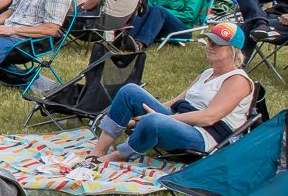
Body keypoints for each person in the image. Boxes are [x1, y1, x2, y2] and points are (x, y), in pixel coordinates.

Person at [84, 23, 255, 162]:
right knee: (130, 91)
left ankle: (116, 157)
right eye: (209, 41)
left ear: (233, 49)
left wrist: (159, 118)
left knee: (153, 121)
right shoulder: (207, 73)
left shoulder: (238, 80)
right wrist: (140, 116)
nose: (209, 46)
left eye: (217, 44)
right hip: (181, 121)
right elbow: (176, 102)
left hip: (206, 136)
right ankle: (99, 150)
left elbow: (209, 117)